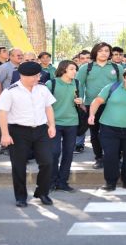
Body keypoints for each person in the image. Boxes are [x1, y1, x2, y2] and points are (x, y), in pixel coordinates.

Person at [0, 61, 57, 208]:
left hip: (41, 130)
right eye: (35, 76)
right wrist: (5, 134)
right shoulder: (10, 91)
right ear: (24, 76)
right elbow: (2, 114)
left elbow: (48, 107)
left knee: (48, 161)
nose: (38, 78)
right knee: (18, 165)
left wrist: (52, 125)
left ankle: (42, 192)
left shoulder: (42, 89)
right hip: (18, 132)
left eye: (38, 75)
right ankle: (21, 197)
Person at [88, 67, 126, 191]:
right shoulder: (112, 87)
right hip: (109, 128)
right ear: (124, 78)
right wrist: (92, 114)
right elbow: (97, 101)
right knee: (110, 156)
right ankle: (110, 182)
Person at [76, 42, 124, 169]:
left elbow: (123, 85)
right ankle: (99, 158)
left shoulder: (117, 67)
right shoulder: (86, 67)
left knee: (114, 133)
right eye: (101, 50)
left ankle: (116, 157)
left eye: (107, 51)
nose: (104, 53)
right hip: (92, 105)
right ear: (95, 52)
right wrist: (81, 102)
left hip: (113, 106)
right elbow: (79, 84)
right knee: (95, 133)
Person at [46, 60, 83, 192]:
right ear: (63, 69)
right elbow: (44, 104)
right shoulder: (51, 83)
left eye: (75, 69)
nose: (75, 72)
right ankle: (51, 181)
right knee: (54, 152)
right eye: (72, 69)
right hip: (54, 123)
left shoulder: (77, 83)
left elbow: (80, 101)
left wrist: (80, 101)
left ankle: (63, 182)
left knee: (68, 154)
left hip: (72, 123)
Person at [74, 49, 92, 153]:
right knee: (81, 122)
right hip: (80, 102)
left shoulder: (95, 70)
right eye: (82, 58)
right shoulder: (74, 71)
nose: (85, 60)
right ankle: (79, 144)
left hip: (94, 101)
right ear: (79, 60)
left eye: (88, 58)